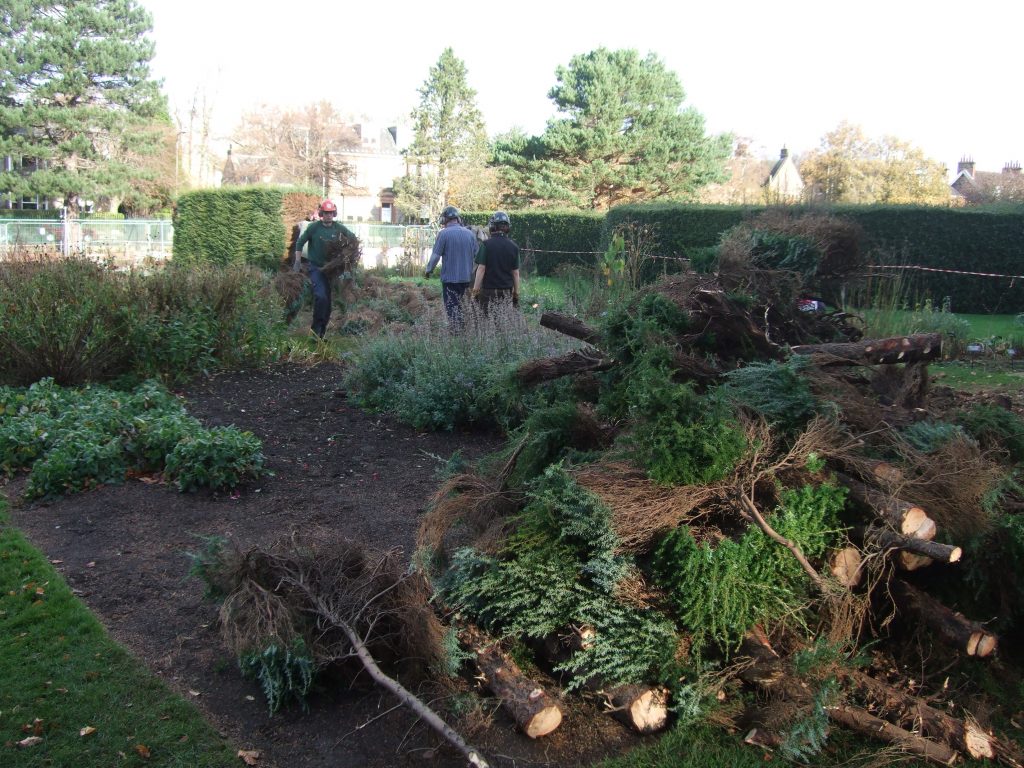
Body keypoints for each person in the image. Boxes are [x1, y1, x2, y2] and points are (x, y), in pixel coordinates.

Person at [294, 200, 356, 338]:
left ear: (334, 213)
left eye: (331, 213)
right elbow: (300, 243)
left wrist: (348, 256)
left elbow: (352, 239)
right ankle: (315, 330)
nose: (328, 216)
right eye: (326, 213)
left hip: (331, 270)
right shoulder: (314, 228)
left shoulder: (338, 228)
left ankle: (322, 332)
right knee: (321, 296)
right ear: (321, 213)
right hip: (316, 268)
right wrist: (297, 261)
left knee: (327, 301)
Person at [424, 205, 478, 328]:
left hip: (450, 279)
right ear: (458, 219)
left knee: (452, 307)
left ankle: (456, 333)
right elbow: (478, 256)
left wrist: (428, 270)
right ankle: (467, 329)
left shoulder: (443, 234)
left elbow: (435, 256)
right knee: (465, 305)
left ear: (444, 220)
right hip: (467, 278)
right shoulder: (470, 234)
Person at [472, 210, 520, 312]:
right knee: (503, 321)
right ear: (508, 227)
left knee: (487, 320)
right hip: (506, 291)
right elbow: (515, 273)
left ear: (493, 226)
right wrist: (516, 293)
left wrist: (475, 291)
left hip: (488, 291)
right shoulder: (514, 247)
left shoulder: (486, 245)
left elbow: (481, 269)